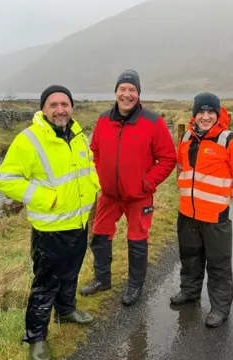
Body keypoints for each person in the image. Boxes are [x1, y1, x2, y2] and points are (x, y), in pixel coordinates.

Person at [0, 85, 100, 360]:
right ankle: (36, 338)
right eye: (53, 105)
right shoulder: (28, 140)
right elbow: (7, 181)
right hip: (50, 229)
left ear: (72, 108)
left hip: (78, 223)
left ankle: (66, 312)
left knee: (71, 273)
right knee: (45, 284)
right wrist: (46, 198)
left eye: (65, 104)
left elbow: (87, 167)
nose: (60, 110)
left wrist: (94, 189)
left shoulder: (78, 135)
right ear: (43, 109)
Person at [80, 69, 177, 306]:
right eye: (122, 89)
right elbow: (95, 152)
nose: (127, 94)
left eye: (132, 90)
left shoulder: (153, 121)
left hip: (139, 196)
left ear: (138, 94)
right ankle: (102, 279)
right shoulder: (104, 120)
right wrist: (102, 179)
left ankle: (135, 285)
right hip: (109, 195)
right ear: (115, 92)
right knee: (100, 236)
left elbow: (168, 159)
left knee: (137, 240)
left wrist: (147, 183)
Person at [171, 92, 233, 328]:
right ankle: (189, 292)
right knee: (189, 258)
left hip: (215, 216)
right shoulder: (186, 137)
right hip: (187, 213)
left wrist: (224, 196)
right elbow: (182, 168)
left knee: (218, 263)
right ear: (194, 115)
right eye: (201, 112)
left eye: (210, 112)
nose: (205, 117)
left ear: (217, 114)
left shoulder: (231, 140)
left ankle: (219, 308)